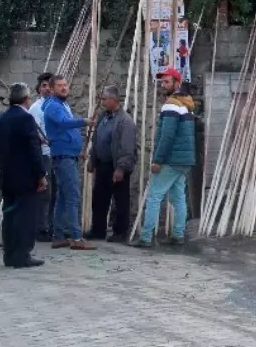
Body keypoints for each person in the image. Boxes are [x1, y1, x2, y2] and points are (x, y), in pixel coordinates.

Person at [135, 68, 196, 248]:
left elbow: (167, 135)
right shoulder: (187, 105)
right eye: (162, 82)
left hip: (171, 159)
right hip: (185, 160)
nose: (163, 85)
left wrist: (157, 160)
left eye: (167, 82)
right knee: (178, 198)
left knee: (154, 196)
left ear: (177, 83)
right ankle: (178, 234)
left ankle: (146, 237)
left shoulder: (171, 104)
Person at [0, 83, 47, 268]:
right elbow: (34, 150)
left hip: (7, 175)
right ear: (26, 99)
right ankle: (22, 254)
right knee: (25, 216)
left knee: (10, 216)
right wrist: (41, 175)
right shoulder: (26, 119)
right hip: (25, 177)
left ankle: (9, 254)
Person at [42, 75, 96, 251]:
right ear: (51, 89)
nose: (64, 88)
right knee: (72, 196)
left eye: (65, 85)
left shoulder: (61, 105)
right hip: (63, 156)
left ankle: (58, 236)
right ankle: (76, 237)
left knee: (64, 197)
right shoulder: (53, 106)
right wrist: (84, 121)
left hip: (68, 155)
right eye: (60, 86)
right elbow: (64, 123)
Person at [87, 86, 138, 242]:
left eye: (104, 99)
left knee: (120, 201)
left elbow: (127, 147)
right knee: (99, 199)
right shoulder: (103, 117)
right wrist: (92, 159)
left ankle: (120, 232)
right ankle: (98, 230)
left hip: (116, 166)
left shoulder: (125, 121)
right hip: (102, 165)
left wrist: (121, 168)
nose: (101, 102)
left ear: (113, 100)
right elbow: (96, 139)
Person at [27, 73, 56, 241]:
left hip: (55, 154)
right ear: (39, 89)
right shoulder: (36, 108)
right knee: (44, 194)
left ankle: (52, 226)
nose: (47, 89)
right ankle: (40, 228)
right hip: (44, 155)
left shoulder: (57, 106)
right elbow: (34, 134)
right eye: (44, 85)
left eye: (49, 86)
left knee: (55, 194)